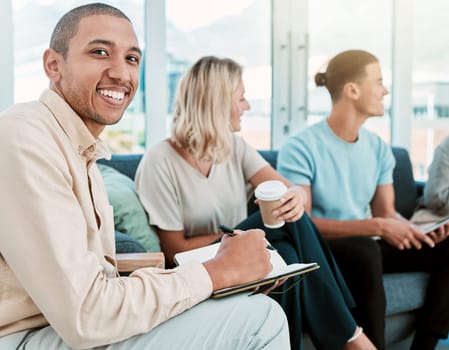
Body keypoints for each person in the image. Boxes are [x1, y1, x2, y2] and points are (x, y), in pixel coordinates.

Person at [0, 4, 291, 349]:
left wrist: (227, 275)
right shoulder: (24, 136)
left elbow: (100, 288)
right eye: (99, 52)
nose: (121, 73)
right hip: (25, 338)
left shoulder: (83, 153)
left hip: (61, 328)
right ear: (53, 65)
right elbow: (88, 314)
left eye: (132, 59)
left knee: (247, 303)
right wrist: (217, 273)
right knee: (260, 320)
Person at [135, 56, 376, 350]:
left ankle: (343, 335)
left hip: (246, 260)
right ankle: (350, 335)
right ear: (217, 103)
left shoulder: (233, 147)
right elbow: (175, 251)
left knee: (286, 247)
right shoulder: (160, 161)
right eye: (242, 98)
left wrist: (296, 198)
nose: (247, 107)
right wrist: (239, 246)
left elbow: (287, 190)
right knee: (278, 228)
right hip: (204, 267)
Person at [277, 49, 449, 350]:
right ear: (352, 90)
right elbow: (300, 224)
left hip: (368, 245)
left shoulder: (379, 149)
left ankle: (424, 345)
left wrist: (415, 232)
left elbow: (387, 212)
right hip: (323, 250)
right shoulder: (300, 147)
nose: (386, 90)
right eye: (379, 81)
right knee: (365, 248)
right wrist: (379, 226)